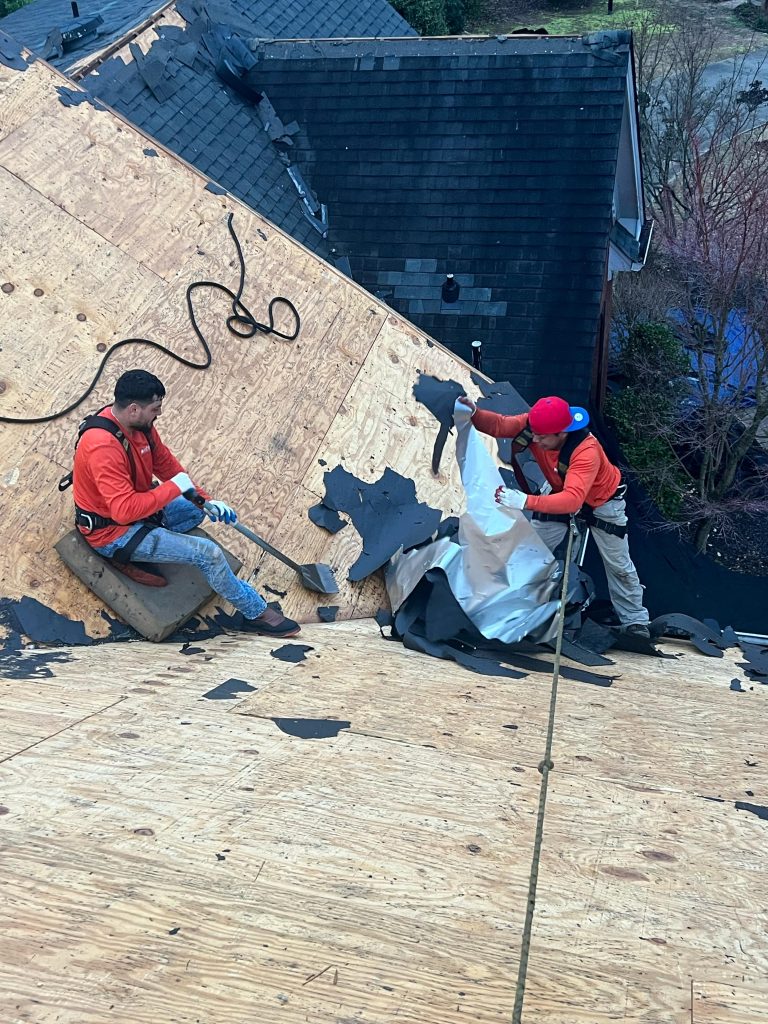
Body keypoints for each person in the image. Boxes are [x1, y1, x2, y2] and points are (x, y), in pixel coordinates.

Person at [70, 369, 300, 637]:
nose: (159, 413)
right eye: (155, 409)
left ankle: (156, 542)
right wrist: (174, 488)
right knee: (208, 554)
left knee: (195, 511)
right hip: (114, 532)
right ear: (134, 409)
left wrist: (206, 501)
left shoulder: (139, 426)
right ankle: (255, 613)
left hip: (140, 512)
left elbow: (166, 465)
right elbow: (123, 512)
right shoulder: (102, 447)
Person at [458, 394, 650, 638]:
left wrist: (525, 501)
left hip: (602, 502)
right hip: (559, 489)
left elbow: (572, 500)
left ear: (562, 433)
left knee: (618, 564)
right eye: (534, 434)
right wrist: (474, 413)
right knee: (531, 551)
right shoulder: (536, 426)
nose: (535, 440)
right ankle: (511, 608)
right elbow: (500, 425)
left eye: (542, 437)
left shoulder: (586, 451)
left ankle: (635, 621)